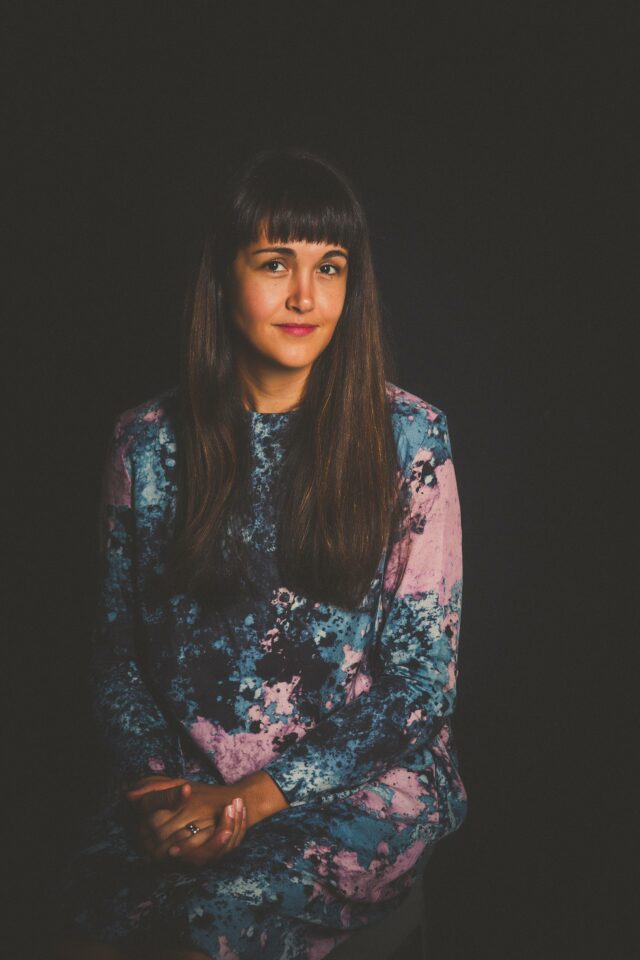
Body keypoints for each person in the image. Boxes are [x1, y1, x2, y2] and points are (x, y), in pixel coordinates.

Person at [53, 146, 468, 960]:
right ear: (223, 273)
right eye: (276, 262)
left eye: (332, 266)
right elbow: (116, 655)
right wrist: (161, 790)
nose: (306, 296)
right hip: (185, 782)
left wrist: (252, 799)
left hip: (357, 787)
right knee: (89, 915)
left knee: (217, 923)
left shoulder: (408, 439)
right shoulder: (145, 443)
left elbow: (420, 688)